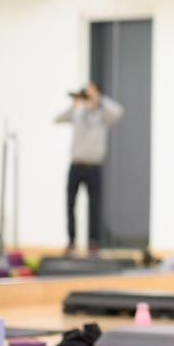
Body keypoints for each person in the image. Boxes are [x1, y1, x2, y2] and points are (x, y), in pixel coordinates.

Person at [55, 82, 123, 254]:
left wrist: (98, 99)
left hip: (94, 166)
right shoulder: (77, 112)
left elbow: (118, 112)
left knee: (95, 206)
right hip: (76, 164)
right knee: (70, 203)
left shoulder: (103, 114)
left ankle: (93, 241)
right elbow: (57, 119)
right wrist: (74, 105)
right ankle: (71, 241)